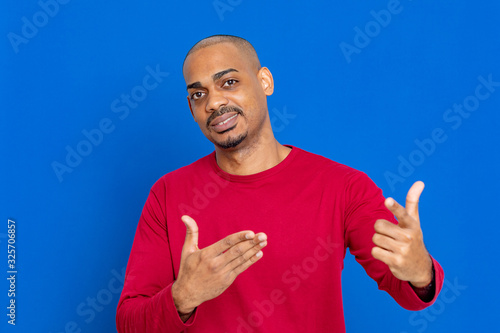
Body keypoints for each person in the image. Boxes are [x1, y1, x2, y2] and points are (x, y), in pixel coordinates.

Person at [116, 35, 444, 333]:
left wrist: (420, 270)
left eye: (228, 82)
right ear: (191, 108)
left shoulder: (343, 186)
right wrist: (184, 296)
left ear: (265, 81)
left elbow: (410, 294)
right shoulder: (168, 193)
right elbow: (129, 323)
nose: (213, 103)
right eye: (199, 94)